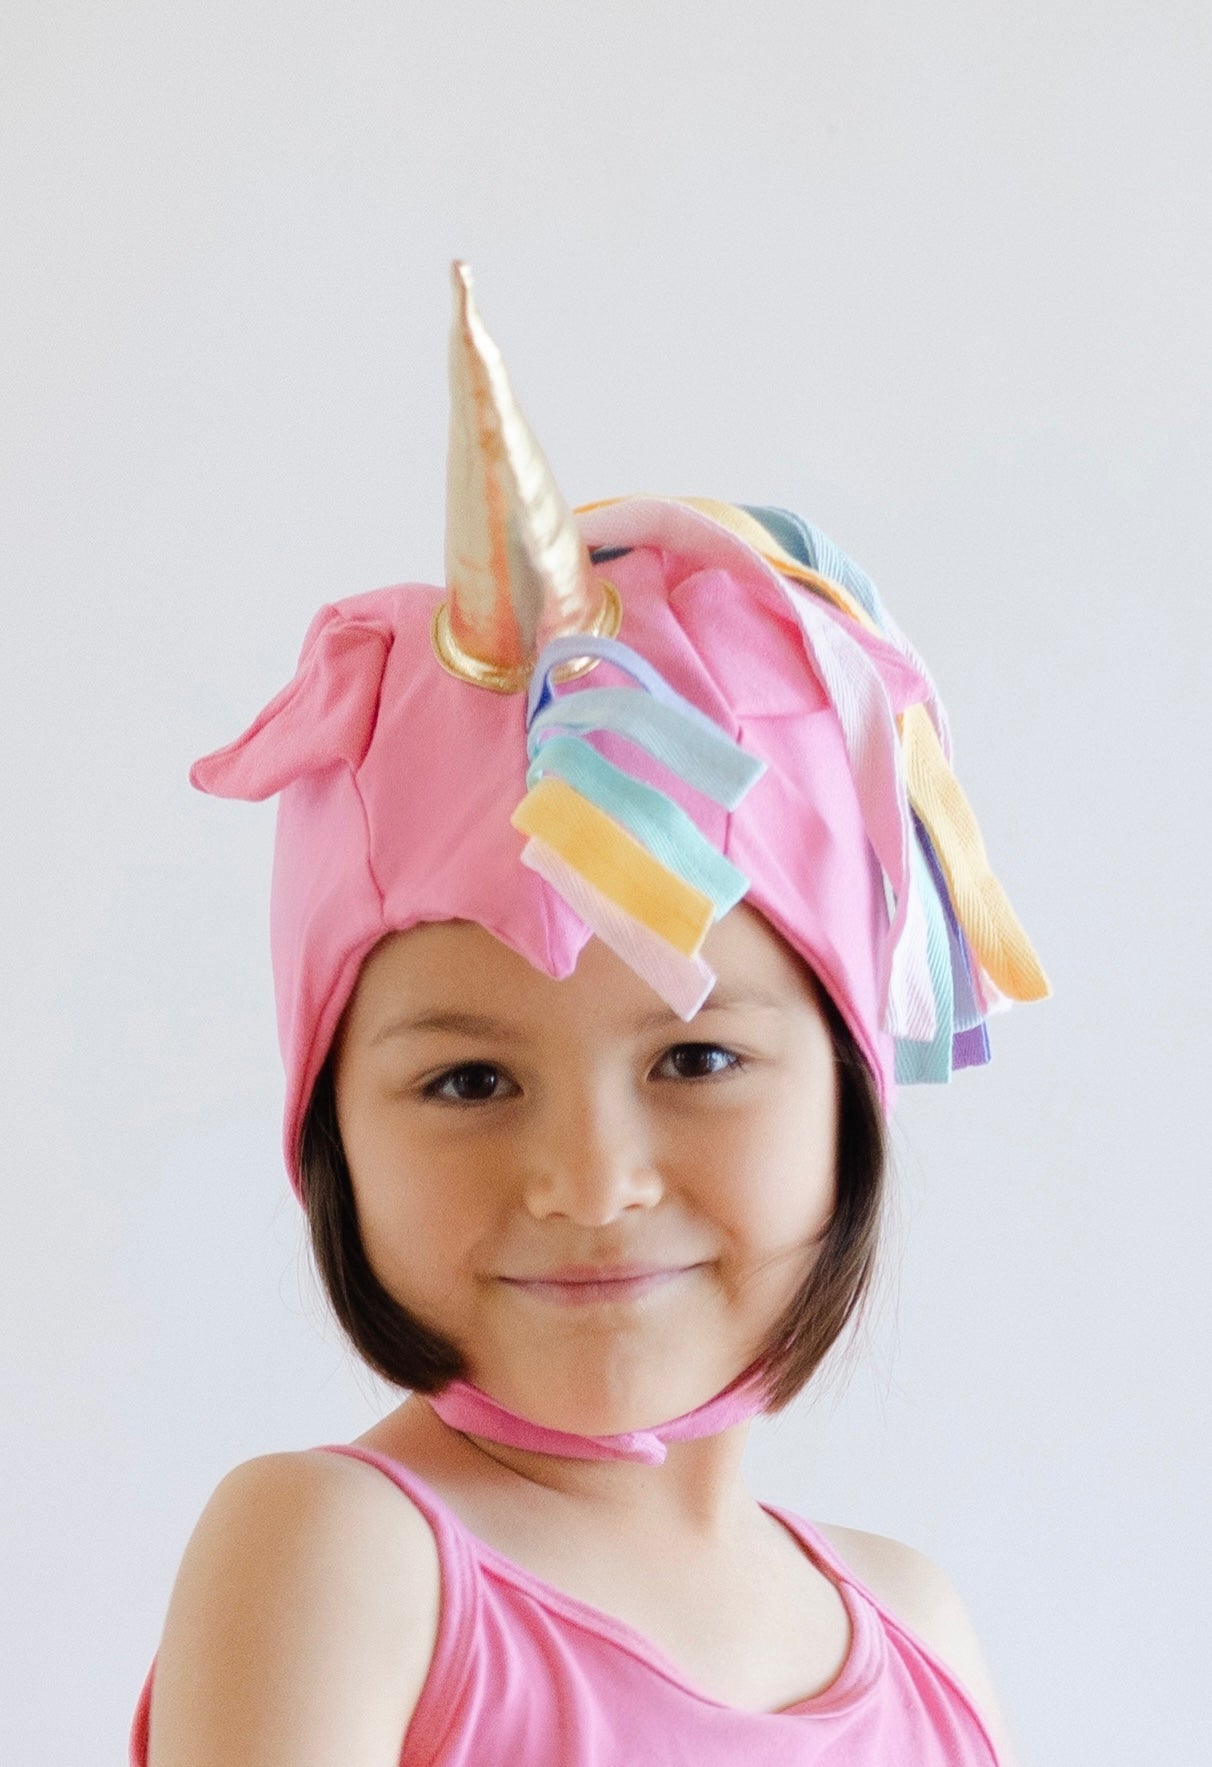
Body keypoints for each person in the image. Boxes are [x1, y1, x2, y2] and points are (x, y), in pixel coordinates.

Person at [132, 263, 1048, 1766]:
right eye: (469, 1082)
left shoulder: (920, 1635)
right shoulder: (346, 1560)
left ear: (849, 1082)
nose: (591, 1181)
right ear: (329, 1127)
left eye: (697, 1057)